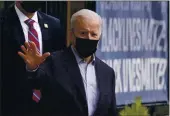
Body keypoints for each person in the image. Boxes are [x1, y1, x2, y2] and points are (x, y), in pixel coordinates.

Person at [18, 9, 117, 116]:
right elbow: (36, 83)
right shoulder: (54, 62)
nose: (89, 38)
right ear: (71, 35)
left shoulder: (107, 72)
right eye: (83, 33)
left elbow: (110, 111)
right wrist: (33, 69)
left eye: (94, 34)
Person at [1, 1, 65, 115]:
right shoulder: (3, 21)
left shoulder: (54, 24)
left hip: (46, 106)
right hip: (10, 105)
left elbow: (59, 67)